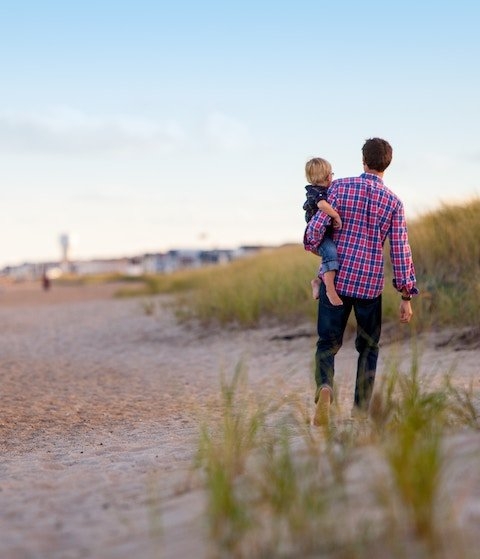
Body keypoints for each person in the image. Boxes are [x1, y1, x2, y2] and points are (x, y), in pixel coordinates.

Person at [304, 138, 417, 426]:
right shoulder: (393, 202)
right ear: (387, 164)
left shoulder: (340, 187)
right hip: (369, 285)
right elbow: (401, 249)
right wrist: (406, 295)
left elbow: (315, 230)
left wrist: (316, 244)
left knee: (327, 345)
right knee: (368, 347)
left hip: (338, 280)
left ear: (363, 160)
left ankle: (325, 388)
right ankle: (361, 410)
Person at [303, 157, 343, 306]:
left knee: (329, 256)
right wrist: (335, 215)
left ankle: (318, 281)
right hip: (318, 235)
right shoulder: (317, 192)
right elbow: (322, 206)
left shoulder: (323, 190)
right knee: (331, 252)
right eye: (332, 173)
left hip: (324, 232)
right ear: (328, 176)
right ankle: (330, 290)